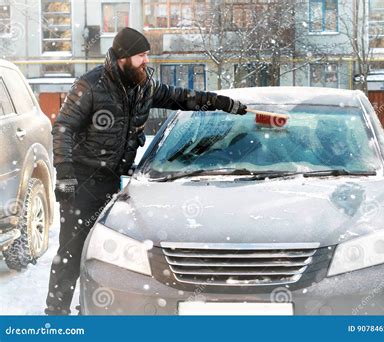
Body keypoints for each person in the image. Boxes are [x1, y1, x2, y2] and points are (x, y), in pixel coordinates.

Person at [45, 27, 247, 315]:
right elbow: (63, 127)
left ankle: (88, 308)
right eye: (141, 56)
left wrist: (220, 103)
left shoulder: (143, 87)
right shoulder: (90, 86)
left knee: (104, 251)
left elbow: (182, 97)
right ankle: (55, 315)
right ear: (123, 58)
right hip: (82, 179)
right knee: (71, 252)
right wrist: (65, 174)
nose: (146, 62)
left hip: (112, 180)